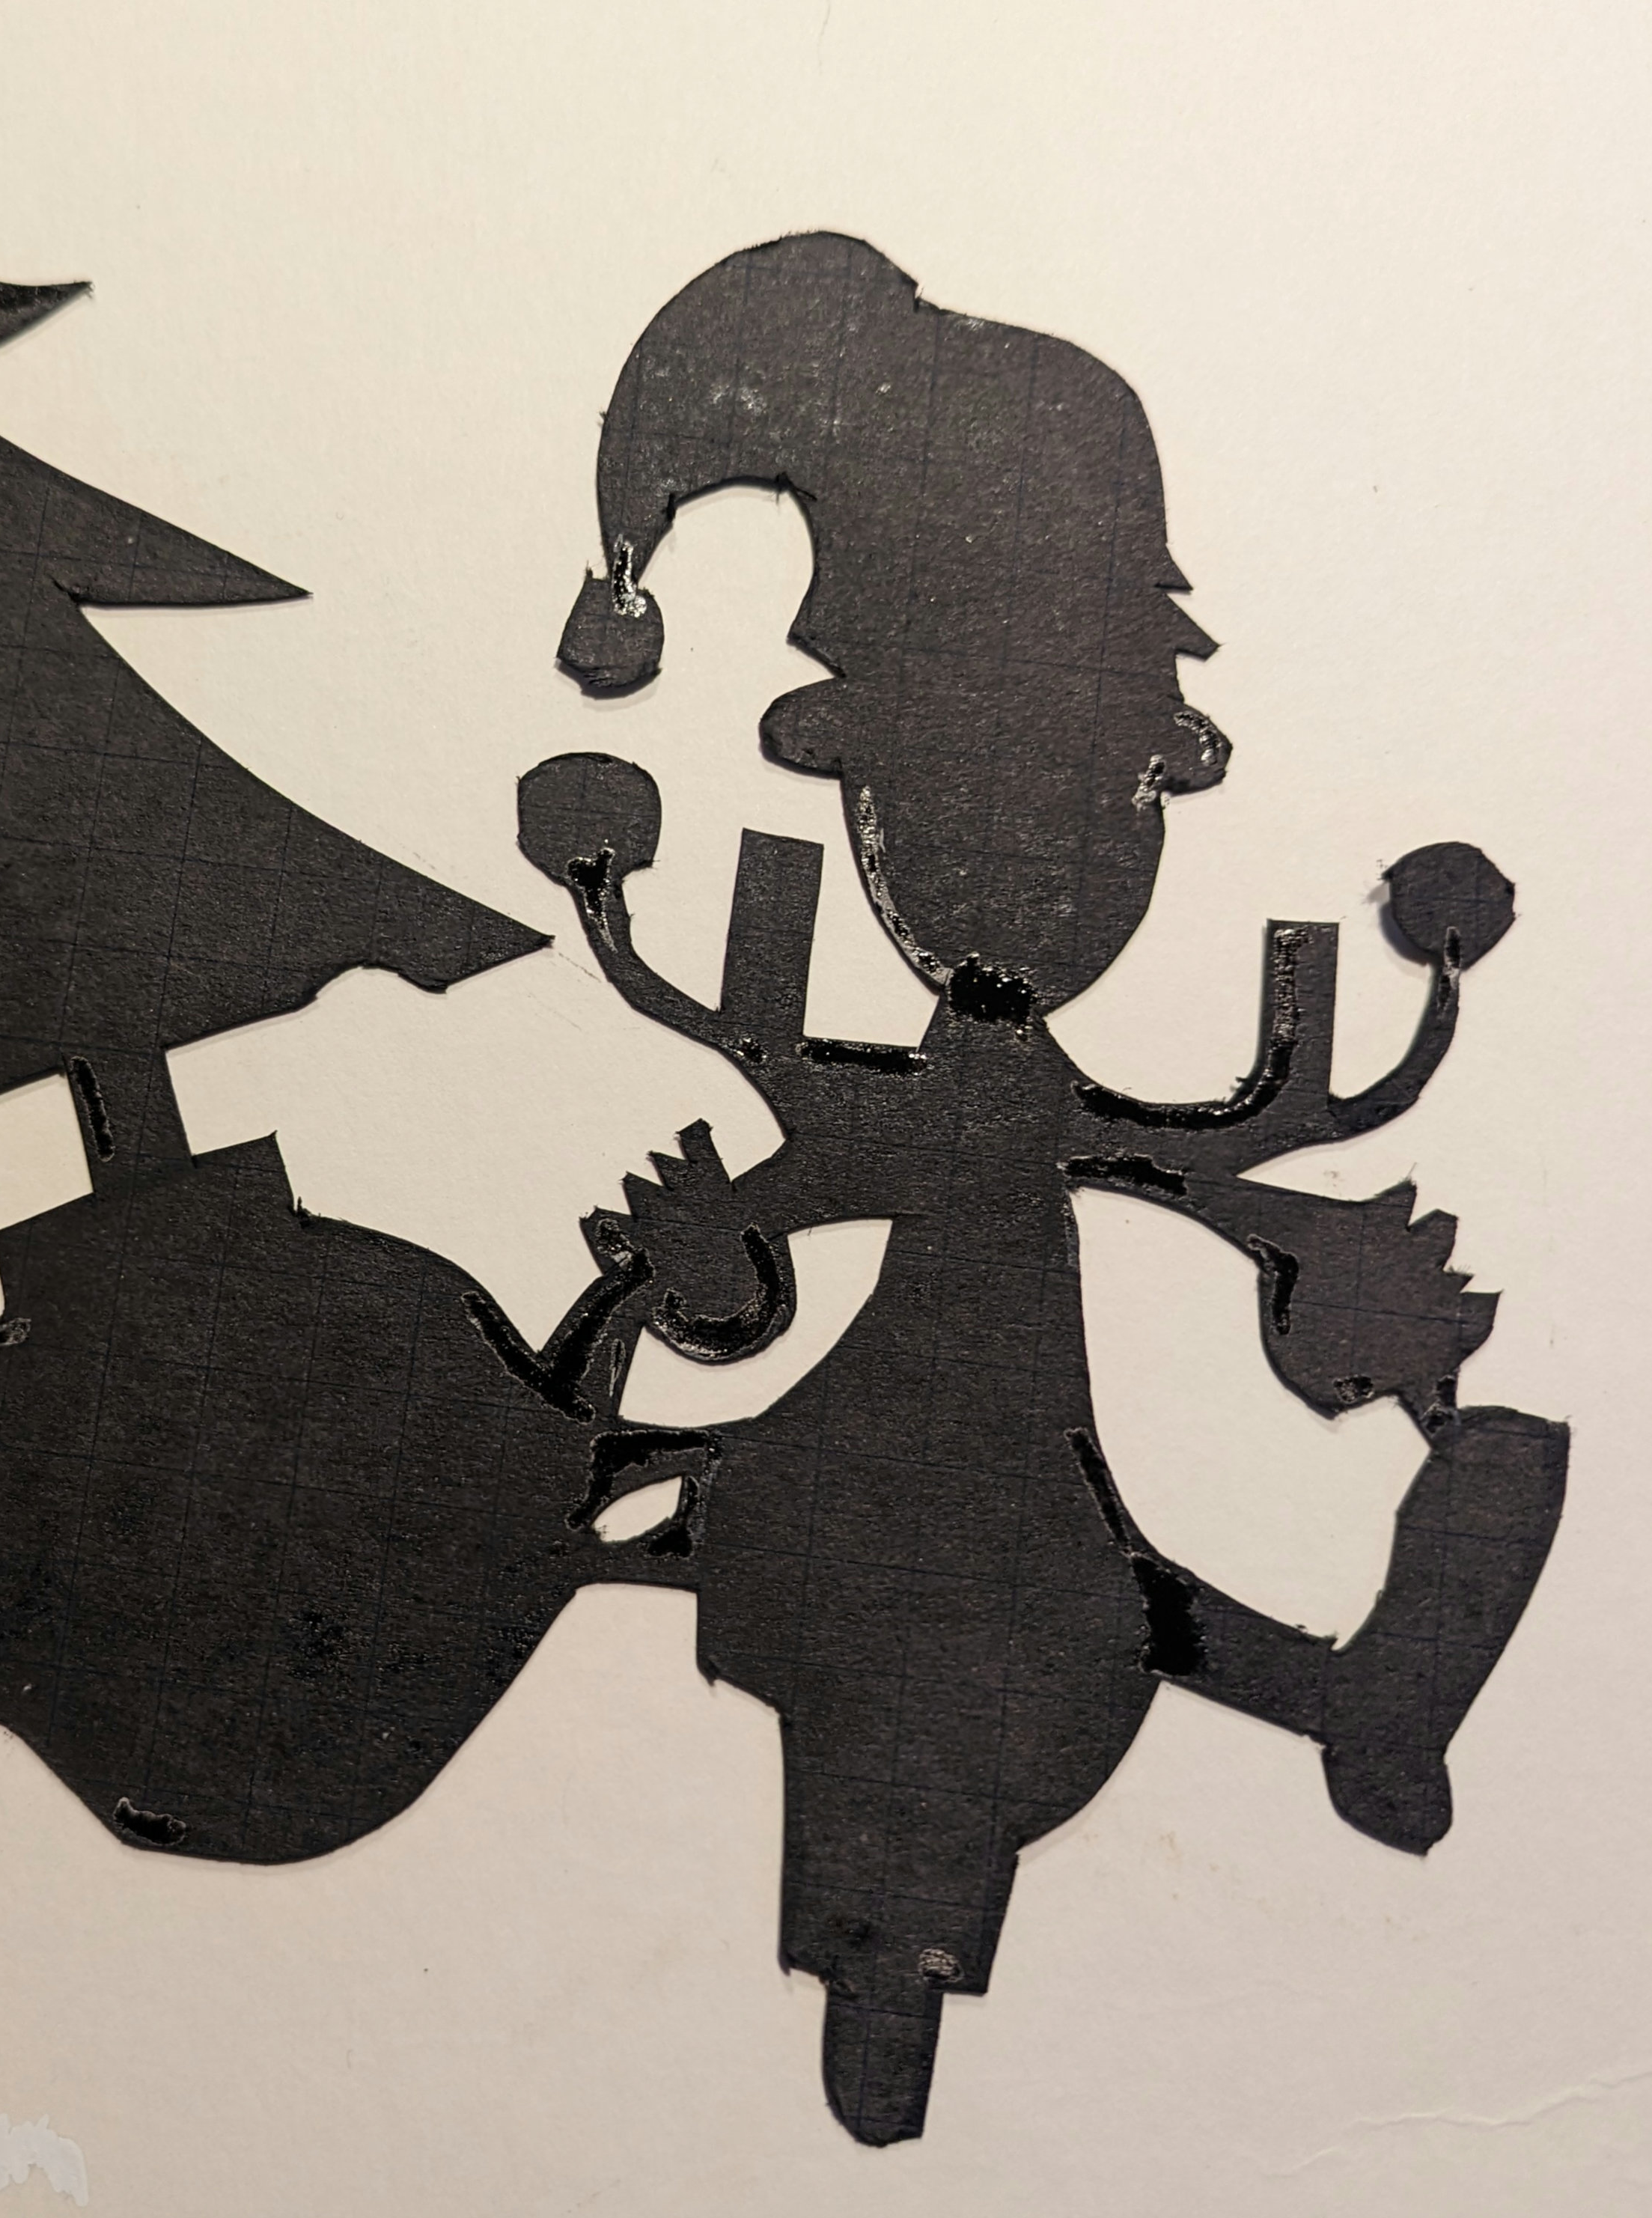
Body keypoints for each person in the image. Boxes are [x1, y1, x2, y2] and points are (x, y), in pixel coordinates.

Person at [519, 230, 1567, 2146]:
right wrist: (704, 1277)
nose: (1021, 853)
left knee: (974, 1592)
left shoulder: (909, 1142)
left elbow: (752, 1273)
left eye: (1095, 791)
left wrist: (1360, 1317)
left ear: (1157, 778)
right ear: (848, 768)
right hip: (950, 1554)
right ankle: (1362, 1700)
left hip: (912, 1544)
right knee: (1070, 1608)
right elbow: (741, 1278)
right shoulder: (898, 1134)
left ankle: (1366, 1697)